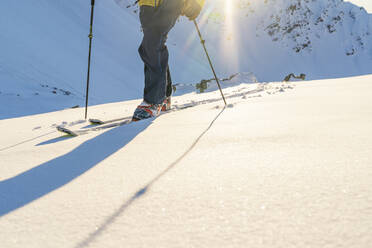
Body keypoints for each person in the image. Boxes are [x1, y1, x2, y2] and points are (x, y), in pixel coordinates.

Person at [132, 0, 205, 121]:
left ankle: (154, 101)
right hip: (147, 3)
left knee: (152, 45)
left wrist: (197, 3)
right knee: (152, 45)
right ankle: (164, 95)